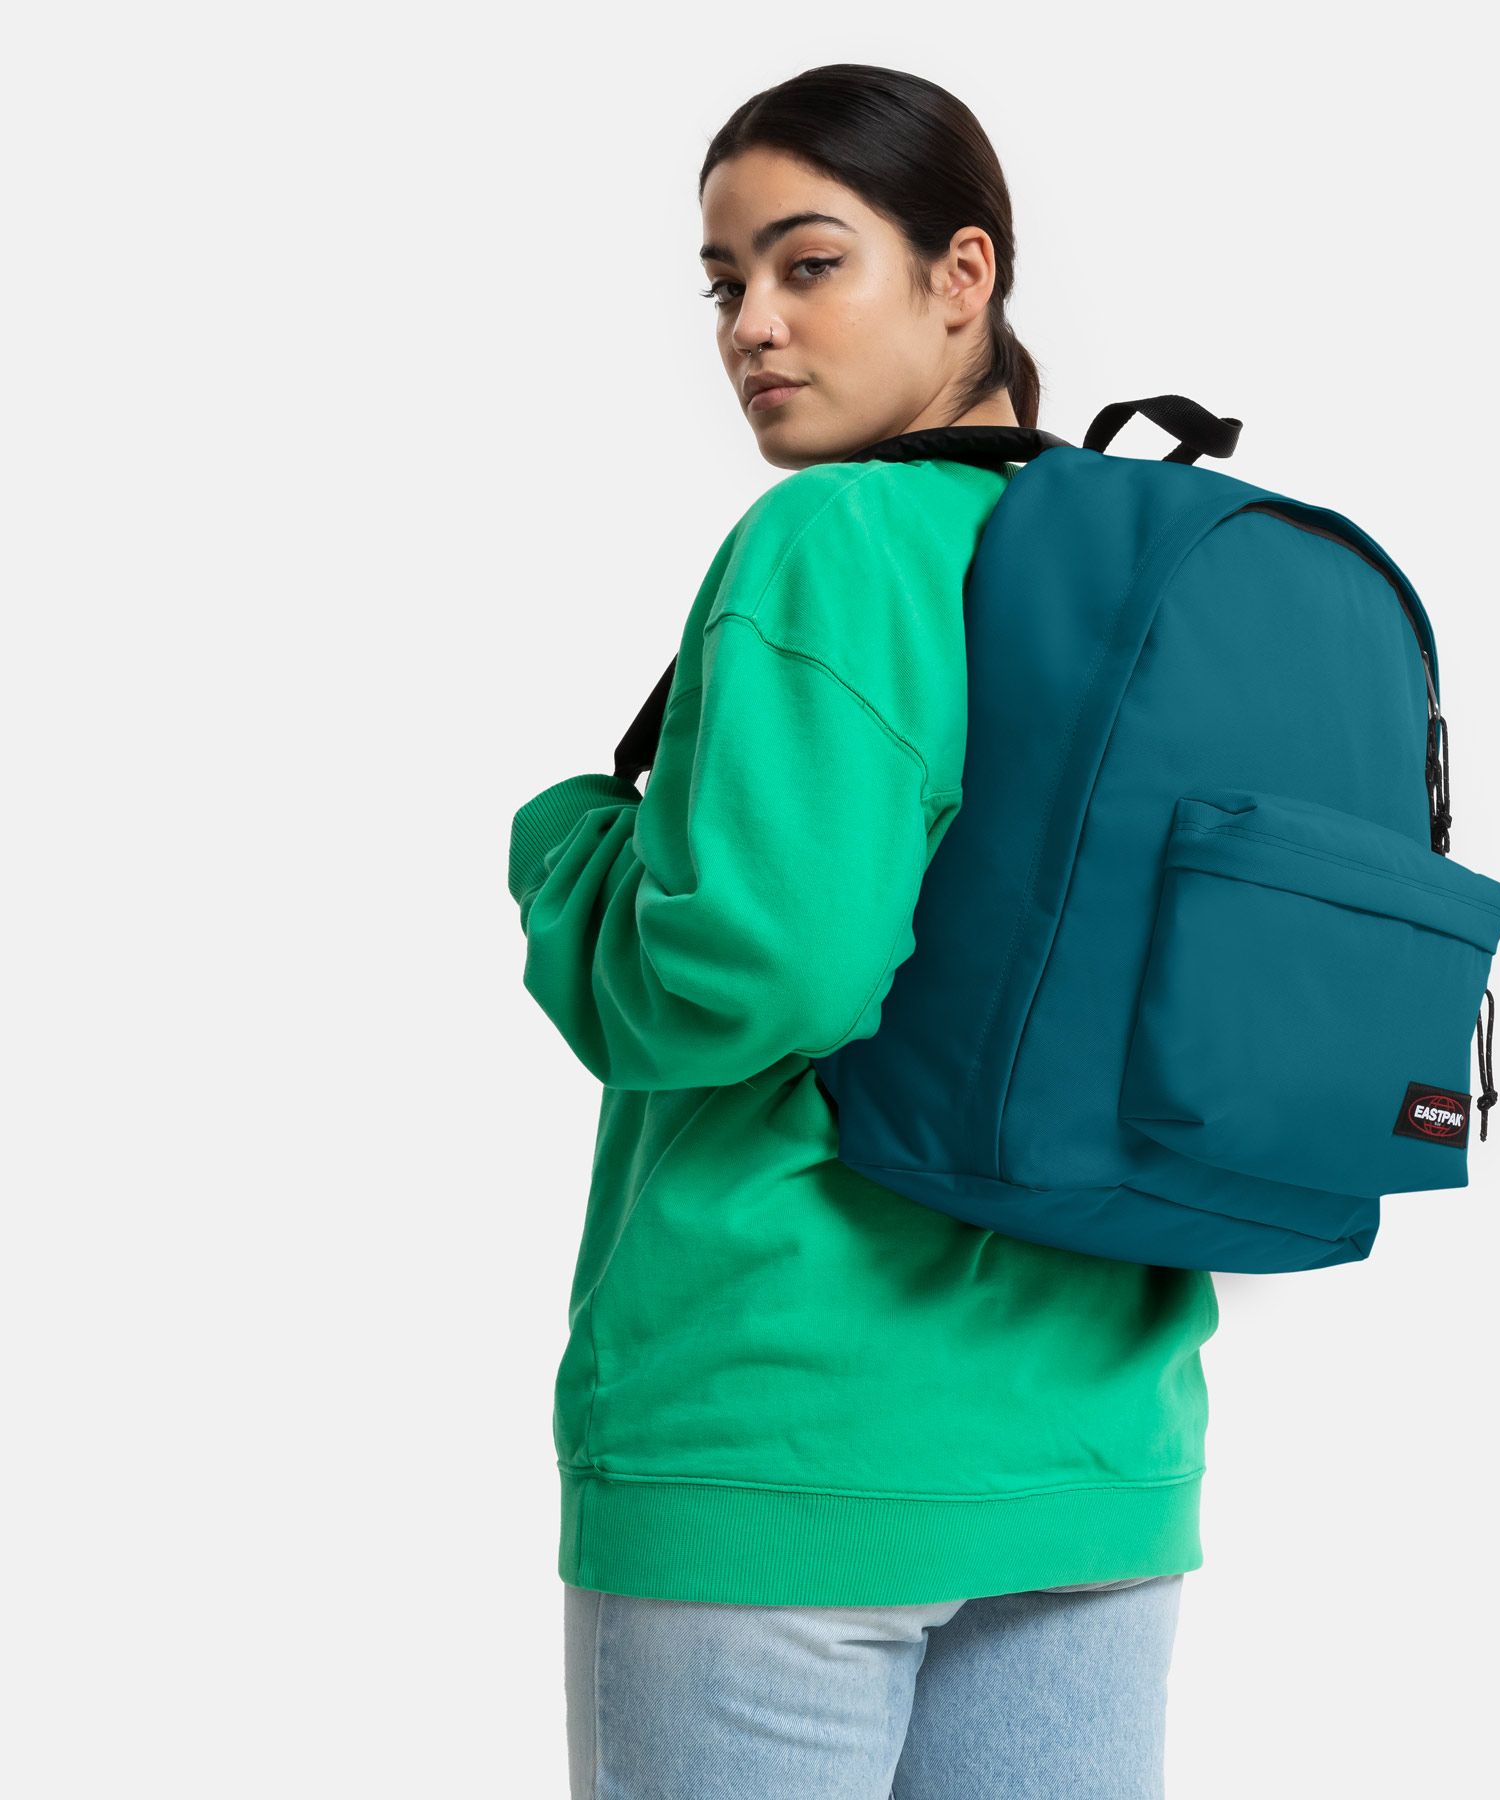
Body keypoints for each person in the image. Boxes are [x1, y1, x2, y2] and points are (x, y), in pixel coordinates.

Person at [506, 63, 1220, 1800]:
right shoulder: (1146, 555)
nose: (751, 324)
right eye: (723, 283)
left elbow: (765, 969)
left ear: (964, 275)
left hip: (785, 1438)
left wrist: (566, 860)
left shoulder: (834, 537)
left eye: (807, 263)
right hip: (1093, 1448)